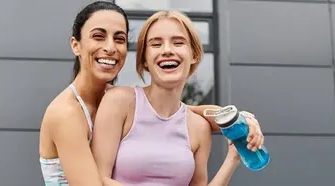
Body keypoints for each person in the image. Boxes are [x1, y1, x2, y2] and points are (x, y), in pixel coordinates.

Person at [39, 1, 264, 186]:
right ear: (75, 45)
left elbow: (177, 113)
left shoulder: (114, 98)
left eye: (119, 39)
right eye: (98, 36)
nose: (110, 47)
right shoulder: (67, 113)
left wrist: (239, 120)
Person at [91, 10, 247, 186]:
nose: (167, 50)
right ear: (144, 59)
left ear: (194, 55)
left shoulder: (199, 127)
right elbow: (97, 179)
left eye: (178, 42)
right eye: (156, 44)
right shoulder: (119, 101)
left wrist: (233, 158)